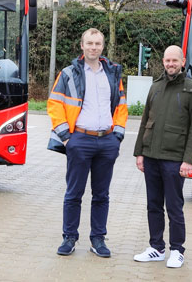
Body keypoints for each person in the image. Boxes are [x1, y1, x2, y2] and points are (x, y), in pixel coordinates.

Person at [47, 28, 128, 258]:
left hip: (107, 141)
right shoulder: (68, 73)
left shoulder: (112, 73)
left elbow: (121, 105)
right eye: (89, 43)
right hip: (79, 140)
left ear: (103, 46)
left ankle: (98, 239)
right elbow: (54, 104)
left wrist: (117, 136)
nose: (94, 47)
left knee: (102, 195)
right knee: (74, 193)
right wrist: (66, 137)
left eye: (97, 43)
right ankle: (69, 237)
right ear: (82, 45)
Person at [133, 45, 192, 269]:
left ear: (182, 62)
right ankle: (156, 248)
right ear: (163, 62)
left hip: (174, 159)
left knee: (174, 206)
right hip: (151, 155)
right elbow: (145, 121)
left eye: (174, 60)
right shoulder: (155, 87)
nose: (170, 64)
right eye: (167, 60)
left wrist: (188, 159)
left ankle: (177, 250)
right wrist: (139, 152)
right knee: (153, 204)